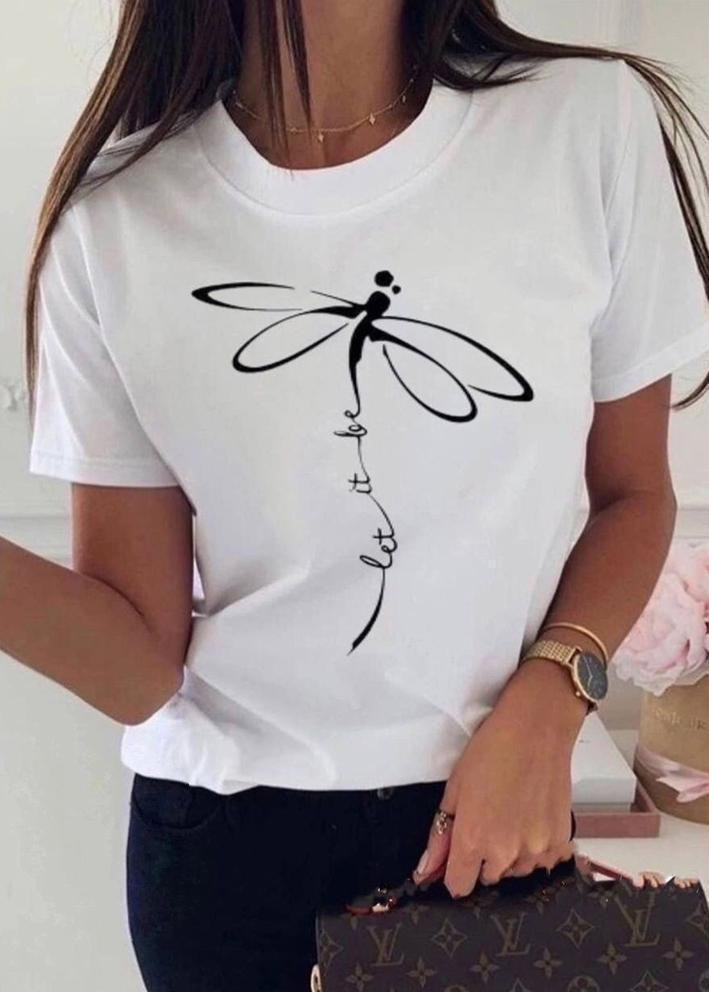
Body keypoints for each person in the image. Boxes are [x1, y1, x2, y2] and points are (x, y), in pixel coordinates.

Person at [5, 1, 709, 989]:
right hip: (220, 853)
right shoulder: (115, 220)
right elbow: (140, 666)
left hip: (488, 818)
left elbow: (634, 495)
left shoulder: (586, 121)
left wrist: (547, 705)